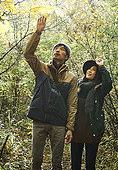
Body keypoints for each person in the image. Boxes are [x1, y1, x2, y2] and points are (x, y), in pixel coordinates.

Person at [24, 16, 78, 170]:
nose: (57, 50)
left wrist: (70, 128)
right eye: (56, 48)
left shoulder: (71, 78)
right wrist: (37, 33)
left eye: (61, 50)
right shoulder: (42, 68)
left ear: (66, 57)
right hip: (39, 120)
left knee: (57, 163)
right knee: (36, 161)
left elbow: (72, 104)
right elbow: (28, 54)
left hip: (59, 123)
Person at [71, 58, 113, 170]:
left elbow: (108, 84)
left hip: (92, 128)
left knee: (90, 165)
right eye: (88, 69)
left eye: (93, 69)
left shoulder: (99, 89)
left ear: (97, 73)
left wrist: (102, 67)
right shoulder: (76, 85)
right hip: (76, 128)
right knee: (75, 164)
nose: (89, 71)